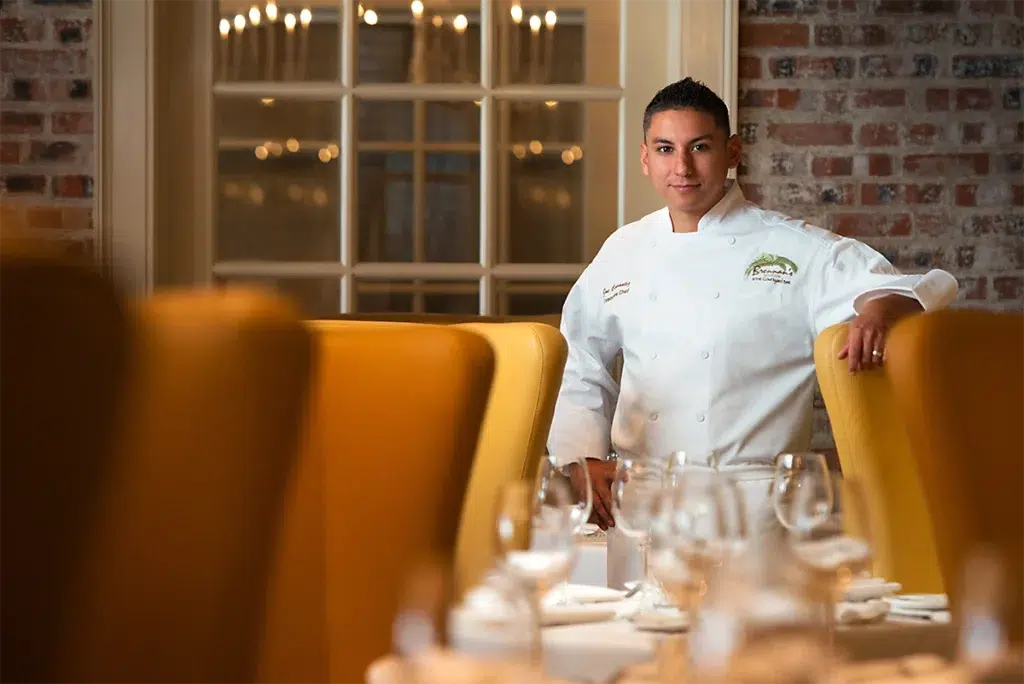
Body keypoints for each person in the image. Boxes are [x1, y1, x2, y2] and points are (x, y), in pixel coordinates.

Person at [550, 78, 958, 536]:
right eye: (665, 149)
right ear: (645, 157)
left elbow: (903, 290)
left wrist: (881, 310)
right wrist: (579, 459)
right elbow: (579, 360)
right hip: (641, 505)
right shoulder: (622, 250)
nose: (681, 166)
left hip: (755, 514)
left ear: (733, 152)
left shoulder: (792, 248)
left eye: (699, 147)